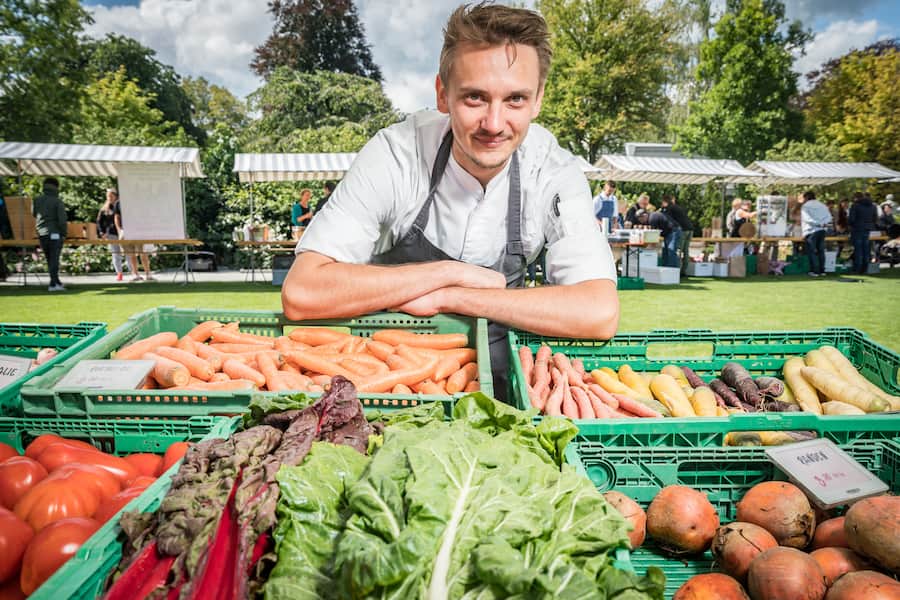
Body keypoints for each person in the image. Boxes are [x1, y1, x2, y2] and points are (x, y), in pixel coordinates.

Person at [282, 3, 618, 399]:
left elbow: (599, 311)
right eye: (475, 98)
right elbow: (302, 292)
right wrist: (446, 272)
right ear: (442, 95)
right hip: (389, 386)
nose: (494, 124)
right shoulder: (396, 154)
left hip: (504, 388)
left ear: (538, 100)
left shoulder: (552, 170)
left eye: (515, 100)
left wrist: (455, 297)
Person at [32, 177, 66, 291]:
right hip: (55, 233)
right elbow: (62, 220)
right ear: (56, 187)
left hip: (42, 233)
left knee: (49, 259)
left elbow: (34, 214)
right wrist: (64, 233)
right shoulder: (57, 201)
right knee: (54, 259)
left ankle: (57, 282)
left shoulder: (37, 200)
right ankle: (53, 284)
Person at [116, 194, 155, 282]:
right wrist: (119, 230)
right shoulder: (119, 203)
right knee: (131, 254)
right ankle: (135, 274)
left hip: (139, 230)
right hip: (125, 231)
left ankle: (148, 274)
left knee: (143, 252)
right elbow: (117, 217)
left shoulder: (138, 201)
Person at [799, 190, 832, 277]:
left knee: (812, 251)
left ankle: (814, 271)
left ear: (806, 197)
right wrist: (823, 223)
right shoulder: (822, 205)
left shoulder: (805, 206)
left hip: (811, 230)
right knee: (821, 251)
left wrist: (817, 223)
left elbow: (807, 219)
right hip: (822, 230)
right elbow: (829, 217)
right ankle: (822, 271)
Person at [660, 194, 693, 274]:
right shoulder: (678, 207)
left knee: (677, 250)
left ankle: (676, 272)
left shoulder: (669, 208)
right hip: (690, 229)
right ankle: (683, 271)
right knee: (686, 251)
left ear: (664, 202)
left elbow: (667, 220)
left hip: (682, 230)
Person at [96, 188, 124, 281]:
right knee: (116, 254)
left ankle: (133, 272)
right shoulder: (104, 209)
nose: (109, 198)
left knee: (128, 253)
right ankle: (119, 273)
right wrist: (101, 232)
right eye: (108, 196)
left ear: (116, 196)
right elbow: (99, 222)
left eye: (111, 196)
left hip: (123, 233)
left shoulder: (121, 206)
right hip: (111, 234)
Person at [848, 191, 878, 274]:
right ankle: (865, 269)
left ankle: (857, 269)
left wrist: (851, 225)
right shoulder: (872, 206)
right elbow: (875, 218)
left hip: (857, 229)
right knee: (866, 249)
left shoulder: (855, 206)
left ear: (855, 198)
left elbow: (851, 219)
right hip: (868, 229)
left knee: (858, 250)